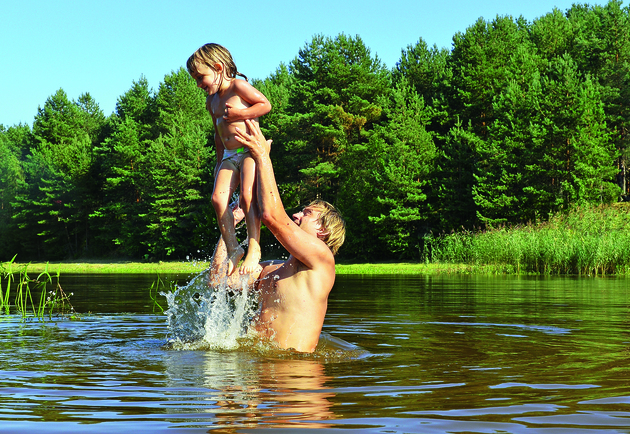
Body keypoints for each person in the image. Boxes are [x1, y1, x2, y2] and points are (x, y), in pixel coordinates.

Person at [208, 119, 346, 353]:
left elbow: (272, 216)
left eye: (307, 213)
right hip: (256, 376)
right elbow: (218, 283)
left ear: (323, 231)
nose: (297, 214)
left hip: (293, 380)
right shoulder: (268, 271)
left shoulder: (322, 261)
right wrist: (228, 230)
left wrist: (262, 155)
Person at [187, 43, 272, 275]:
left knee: (246, 195)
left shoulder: (238, 86)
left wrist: (241, 114)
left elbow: (265, 105)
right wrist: (217, 163)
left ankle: (254, 246)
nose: (198, 84)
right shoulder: (211, 101)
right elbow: (218, 133)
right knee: (217, 198)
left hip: (248, 149)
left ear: (218, 67)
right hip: (227, 154)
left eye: (200, 77)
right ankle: (233, 247)